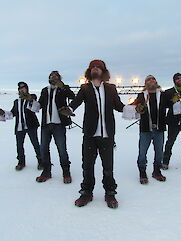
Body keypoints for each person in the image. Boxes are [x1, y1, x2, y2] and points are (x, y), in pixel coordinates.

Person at [66, 60, 125, 209]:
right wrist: (68, 109)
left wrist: (134, 109)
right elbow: (76, 103)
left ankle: (110, 193)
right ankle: (86, 192)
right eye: (93, 67)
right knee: (87, 166)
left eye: (98, 67)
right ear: (89, 71)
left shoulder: (111, 88)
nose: (95, 69)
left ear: (103, 71)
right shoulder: (85, 88)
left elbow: (119, 106)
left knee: (108, 167)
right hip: (90, 135)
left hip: (107, 135)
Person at [31, 71, 75, 183]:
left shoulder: (62, 89)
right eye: (51, 76)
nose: (53, 77)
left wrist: (63, 87)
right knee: (44, 149)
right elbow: (40, 104)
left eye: (56, 76)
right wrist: (32, 102)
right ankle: (46, 172)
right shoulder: (45, 90)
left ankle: (66, 173)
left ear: (59, 78)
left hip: (59, 124)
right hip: (46, 124)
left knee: (62, 149)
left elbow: (72, 96)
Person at [0, 82, 42, 171]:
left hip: (31, 126)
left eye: (23, 88)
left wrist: (30, 99)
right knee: (19, 145)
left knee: (35, 143)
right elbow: (13, 113)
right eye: (20, 89)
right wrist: (3, 113)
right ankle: (21, 162)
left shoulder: (32, 98)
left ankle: (41, 161)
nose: (21, 90)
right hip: (19, 127)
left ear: (27, 89)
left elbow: (36, 108)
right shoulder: (16, 102)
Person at [131, 75, 167, 184]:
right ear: (145, 83)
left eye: (153, 79)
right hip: (145, 128)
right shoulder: (141, 95)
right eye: (148, 79)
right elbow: (134, 107)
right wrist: (137, 108)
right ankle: (142, 172)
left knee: (159, 152)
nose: (151, 80)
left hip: (159, 128)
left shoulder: (163, 95)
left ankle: (156, 171)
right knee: (142, 152)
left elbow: (174, 105)